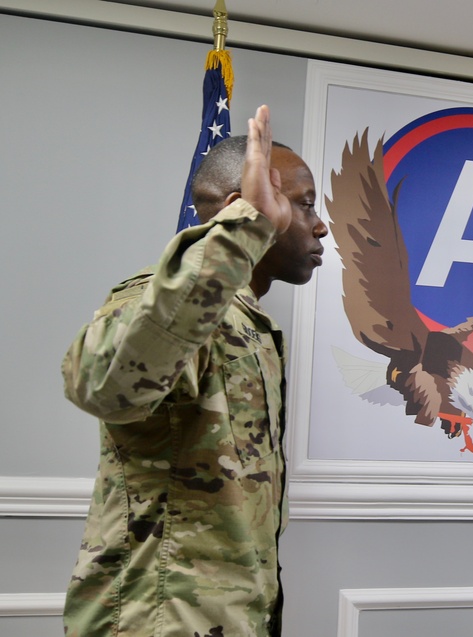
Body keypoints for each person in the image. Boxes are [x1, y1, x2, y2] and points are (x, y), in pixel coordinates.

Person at [61, 105, 327, 636]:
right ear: (240, 208)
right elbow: (104, 384)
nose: (321, 225)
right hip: (155, 621)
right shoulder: (168, 306)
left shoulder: (252, 325)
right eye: (302, 204)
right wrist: (242, 233)